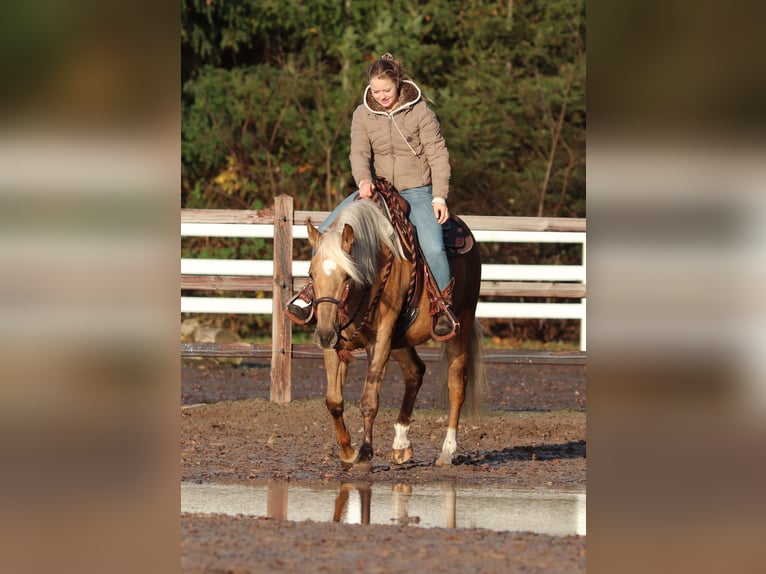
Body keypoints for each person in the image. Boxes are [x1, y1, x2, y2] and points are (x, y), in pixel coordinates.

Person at [287, 53, 459, 340]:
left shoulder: (420, 113)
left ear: (398, 83)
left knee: (434, 246)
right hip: (376, 188)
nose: (381, 96)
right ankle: (310, 291)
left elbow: (438, 154)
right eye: (376, 91)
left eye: (387, 90)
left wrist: (439, 196)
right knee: (325, 234)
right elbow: (359, 153)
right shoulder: (361, 114)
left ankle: (443, 306)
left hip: (415, 190)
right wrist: (363, 180)